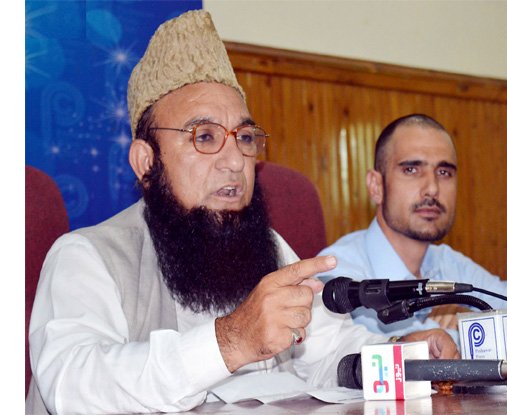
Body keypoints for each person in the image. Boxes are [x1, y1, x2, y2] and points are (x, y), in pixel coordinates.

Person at [26, 11, 458, 414]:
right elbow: (72, 384)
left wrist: (400, 353)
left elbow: (330, 350)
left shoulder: (267, 246)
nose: (234, 160)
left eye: (245, 137)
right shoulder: (86, 256)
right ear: (146, 162)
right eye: (205, 136)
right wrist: (231, 341)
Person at [317, 113, 507, 343]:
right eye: (411, 169)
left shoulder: (448, 264)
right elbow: (387, 355)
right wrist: (471, 330)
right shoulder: (337, 274)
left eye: (444, 173)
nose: (432, 188)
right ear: (376, 186)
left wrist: (470, 320)